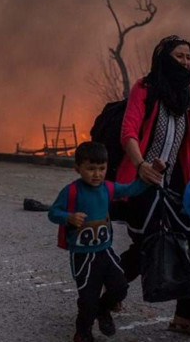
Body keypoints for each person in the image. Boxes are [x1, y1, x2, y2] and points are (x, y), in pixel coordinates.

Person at [114, 35, 190, 338]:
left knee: (188, 244)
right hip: (143, 181)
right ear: (164, 58)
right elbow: (128, 131)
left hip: (179, 184)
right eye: (179, 56)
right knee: (148, 247)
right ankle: (109, 287)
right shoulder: (145, 89)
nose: (185, 62)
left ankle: (185, 318)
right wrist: (141, 165)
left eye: (189, 57)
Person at [48, 141, 148, 342]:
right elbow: (53, 212)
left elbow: (131, 189)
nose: (97, 174)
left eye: (101, 169)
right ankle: (83, 332)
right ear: (78, 168)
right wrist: (68, 217)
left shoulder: (108, 188)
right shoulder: (71, 191)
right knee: (87, 299)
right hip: (83, 257)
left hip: (105, 251)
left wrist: (150, 175)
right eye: (91, 169)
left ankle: (103, 310)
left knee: (120, 287)